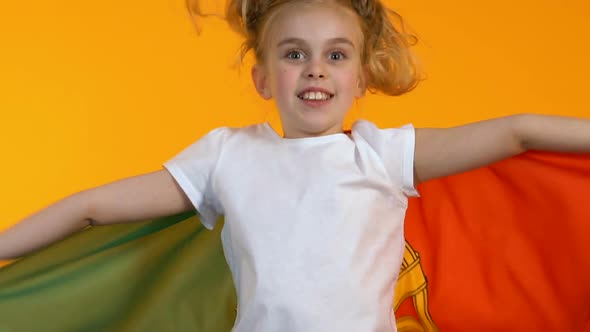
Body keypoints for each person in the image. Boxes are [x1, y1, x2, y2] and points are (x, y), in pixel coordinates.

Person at [0, 0, 589, 330]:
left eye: (336, 55)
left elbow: (519, 132)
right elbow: (91, 208)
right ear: (262, 77)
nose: (315, 69)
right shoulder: (227, 156)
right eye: (293, 54)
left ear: (361, 77)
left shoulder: (380, 155)